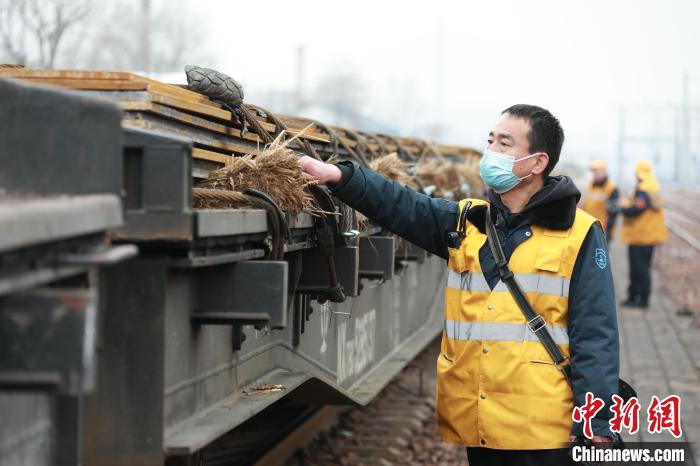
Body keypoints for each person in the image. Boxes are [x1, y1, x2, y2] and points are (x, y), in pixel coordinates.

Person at [300, 105, 620, 466]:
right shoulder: (470, 222)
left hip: (542, 430)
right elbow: (401, 205)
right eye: (490, 141)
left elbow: (596, 333)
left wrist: (597, 420)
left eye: (504, 143)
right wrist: (339, 176)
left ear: (537, 162)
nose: (490, 152)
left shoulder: (580, 235)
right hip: (480, 421)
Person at [619, 160, 668, 309]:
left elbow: (636, 210)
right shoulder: (654, 185)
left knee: (639, 269)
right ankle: (637, 297)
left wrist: (623, 207)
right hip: (648, 235)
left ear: (638, 172)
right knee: (643, 268)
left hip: (641, 236)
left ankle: (639, 299)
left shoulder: (644, 189)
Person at [580, 159, 619, 241]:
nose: (594, 174)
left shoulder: (612, 188)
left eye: (597, 172)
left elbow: (613, 212)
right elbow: (584, 205)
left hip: (602, 231)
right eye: (593, 172)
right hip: (588, 229)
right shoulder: (590, 185)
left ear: (604, 171)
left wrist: (608, 232)